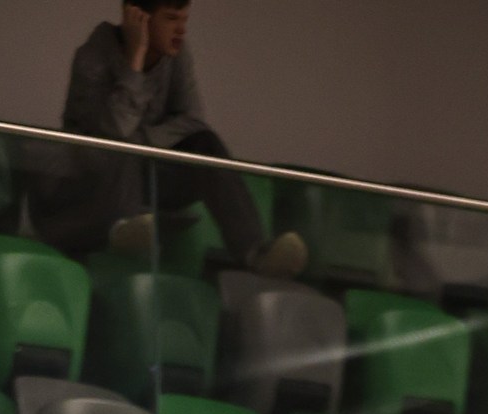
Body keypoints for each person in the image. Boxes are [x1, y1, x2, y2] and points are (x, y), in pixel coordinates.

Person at [33, 0, 306, 276]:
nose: (181, 30)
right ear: (138, 18)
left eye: (184, 20)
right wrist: (135, 61)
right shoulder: (93, 57)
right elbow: (111, 135)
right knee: (120, 147)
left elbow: (192, 121)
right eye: (171, 19)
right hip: (92, 186)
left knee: (205, 142)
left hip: (146, 174)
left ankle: (254, 252)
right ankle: (121, 226)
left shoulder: (177, 55)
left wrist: (140, 141)